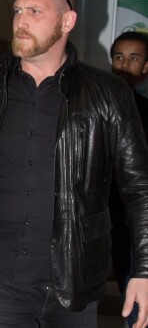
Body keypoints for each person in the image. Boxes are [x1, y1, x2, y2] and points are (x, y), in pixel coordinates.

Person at [0, 0, 148, 328]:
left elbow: (139, 187)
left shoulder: (107, 93)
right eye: (17, 11)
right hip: (0, 280)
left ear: (67, 21)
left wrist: (143, 268)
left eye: (35, 12)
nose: (21, 21)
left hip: (75, 276)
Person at [109, 31, 148, 327]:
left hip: (135, 222)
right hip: (100, 219)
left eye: (133, 58)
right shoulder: (94, 106)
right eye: (119, 57)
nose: (124, 64)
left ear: (145, 67)